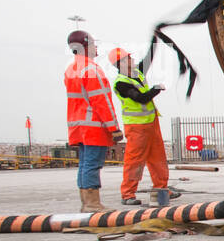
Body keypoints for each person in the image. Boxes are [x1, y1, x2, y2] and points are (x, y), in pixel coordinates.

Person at [108, 47, 178, 205]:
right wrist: (156, 89)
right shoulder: (121, 83)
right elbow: (140, 98)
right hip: (137, 127)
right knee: (135, 161)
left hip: (151, 123)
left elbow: (148, 59)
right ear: (122, 63)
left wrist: (155, 39)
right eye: (129, 58)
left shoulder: (136, 74)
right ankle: (127, 194)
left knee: (158, 158)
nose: (132, 60)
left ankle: (161, 190)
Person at [64, 30, 121, 212]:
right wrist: (114, 128)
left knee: (84, 164)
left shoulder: (71, 69)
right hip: (94, 126)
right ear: (86, 45)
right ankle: (92, 204)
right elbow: (101, 101)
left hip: (78, 126)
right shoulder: (91, 69)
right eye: (94, 44)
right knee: (92, 164)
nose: (96, 48)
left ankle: (85, 203)